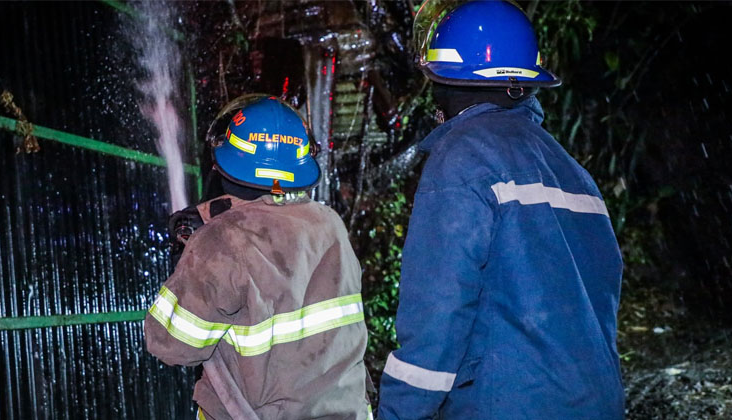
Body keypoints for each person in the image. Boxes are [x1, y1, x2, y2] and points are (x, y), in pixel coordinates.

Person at [378, 1, 624, 419]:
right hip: (598, 401)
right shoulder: (572, 170)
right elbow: (600, 301)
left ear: (450, 81)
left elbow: (437, 318)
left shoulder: (461, 158)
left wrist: (398, 412)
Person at [144, 96, 371, 419]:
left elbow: (171, 344)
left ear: (225, 162)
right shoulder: (330, 225)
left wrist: (189, 257)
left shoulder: (220, 240)